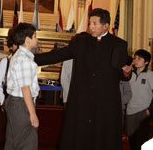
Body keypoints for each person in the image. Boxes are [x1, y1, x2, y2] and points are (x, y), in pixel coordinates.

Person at [35, 8, 131, 150]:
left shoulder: (119, 44)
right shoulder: (81, 42)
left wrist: (126, 73)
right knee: (79, 136)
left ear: (105, 26)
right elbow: (59, 55)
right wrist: (32, 58)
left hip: (105, 102)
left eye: (94, 23)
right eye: (90, 23)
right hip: (82, 100)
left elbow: (120, 73)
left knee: (103, 137)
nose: (90, 26)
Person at [4, 23, 40, 150]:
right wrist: (33, 114)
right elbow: (26, 89)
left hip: (16, 103)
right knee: (27, 144)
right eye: (35, 36)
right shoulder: (24, 59)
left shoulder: (19, 55)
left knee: (13, 142)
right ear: (27, 39)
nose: (37, 39)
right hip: (21, 105)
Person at [126, 49, 153, 150]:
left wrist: (149, 110)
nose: (135, 60)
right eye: (135, 58)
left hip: (143, 113)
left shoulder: (150, 75)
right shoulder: (129, 74)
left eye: (139, 58)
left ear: (146, 62)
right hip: (130, 112)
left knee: (142, 142)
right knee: (132, 141)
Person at [0, 28, 18, 106]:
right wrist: (2, 100)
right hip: (9, 99)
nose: (18, 47)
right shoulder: (5, 61)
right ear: (11, 46)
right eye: (15, 44)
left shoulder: (28, 61)